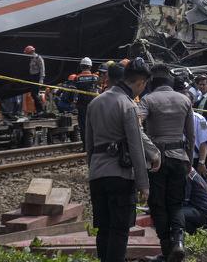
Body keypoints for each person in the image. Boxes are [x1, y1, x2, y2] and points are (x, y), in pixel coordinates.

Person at [85, 58, 157, 262]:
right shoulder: (128, 106)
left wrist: (93, 170)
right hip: (121, 176)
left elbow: (89, 145)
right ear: (141, 82)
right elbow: (136, 147)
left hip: (98, 174)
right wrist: (144, 184)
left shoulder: (94, 102)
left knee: (104, 229)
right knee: (119, 230)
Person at [138, 64, 195, 262]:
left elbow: (136, 123)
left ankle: (165, 247)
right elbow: (191, 135)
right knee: (176, 204)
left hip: (157, 161)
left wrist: (148, 150)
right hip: (180, 158)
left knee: (158, 204)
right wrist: (189, 160)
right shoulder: (185, 100)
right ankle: (178, 241)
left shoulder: (148, 99)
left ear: (152, 82)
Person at [183, 168, 207, 235]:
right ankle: (193, 231)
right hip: (202, 213)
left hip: (205, 215)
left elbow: (184, 201)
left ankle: (194, 232)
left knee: (175, 214)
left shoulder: (188, 176)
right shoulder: (192, 173)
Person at [75, 57, 100, 145]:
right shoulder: (95, 77)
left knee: (83, 125)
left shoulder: (77, 78)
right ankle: (95, 143)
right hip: (94, 104)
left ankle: (85, 145)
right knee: (95, 124)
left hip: (81, 105)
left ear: (81, 66)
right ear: (90, 66)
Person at [24, 45, 45, 114]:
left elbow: (42, 69)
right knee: (33, 94)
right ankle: (38, 110)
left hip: (37, 77)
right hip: (32, 77)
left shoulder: (38, 58)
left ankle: (40, 109)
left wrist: (41, 79)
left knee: (34, 94)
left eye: (28, 53)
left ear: (31, 52)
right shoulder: (31, 58)